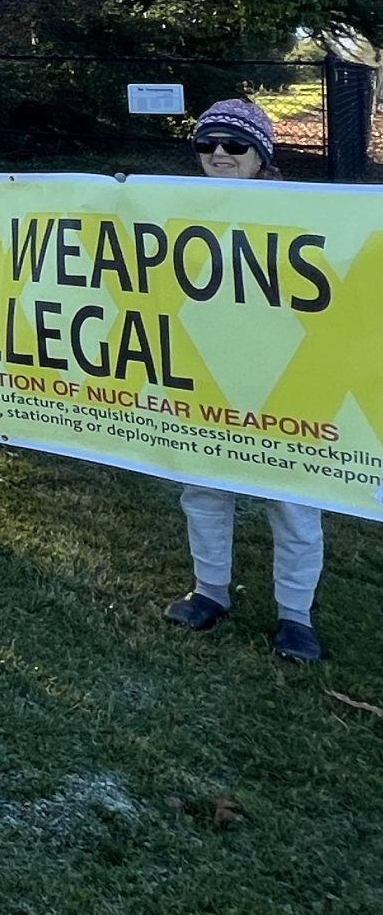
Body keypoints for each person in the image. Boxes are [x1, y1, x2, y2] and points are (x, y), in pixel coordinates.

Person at [162, 97, 325, 664]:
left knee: (294, 499)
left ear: (261, 155)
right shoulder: (180, 208)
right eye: (206, 144)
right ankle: (209, 591)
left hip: (289, 377)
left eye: (234, 144)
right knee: (205, 488)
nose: (219, 154)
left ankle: (296, 617)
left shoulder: (308, 214)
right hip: (208, 372)